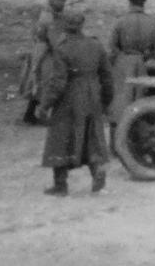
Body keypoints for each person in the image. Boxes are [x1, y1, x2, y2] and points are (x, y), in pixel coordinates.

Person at [40, 12, 114, 196]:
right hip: (92, 96)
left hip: (69, 98)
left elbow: (58, 82)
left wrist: (45, 104)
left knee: (61, 136)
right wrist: (106, 100)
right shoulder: (96, 45)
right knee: (93, 138)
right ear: (82, 25)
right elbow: (107, 77)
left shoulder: (62, 49)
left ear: (66, 27)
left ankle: (60, 184)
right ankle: (98, 178)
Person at [106, 0, 155, 150]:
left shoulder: (120, 21)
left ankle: (115, 146)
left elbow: (110, 49)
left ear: (129, 0)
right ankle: (135, 145)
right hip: (143, 66)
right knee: (139, 104)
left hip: (122, 65)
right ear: (143, 2)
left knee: (118, 104)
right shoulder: (151, 22)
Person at [19, 0, 68, 125]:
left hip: (44, 51)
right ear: (53, 3)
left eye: (63, 2)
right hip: (46, 53)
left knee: (39, 84)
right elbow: (53, 39)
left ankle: (29, 113)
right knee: (46, 82)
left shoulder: (51, 16)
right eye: (60, 2)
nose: (62, 5)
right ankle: (42, 114)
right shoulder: (48, 18)